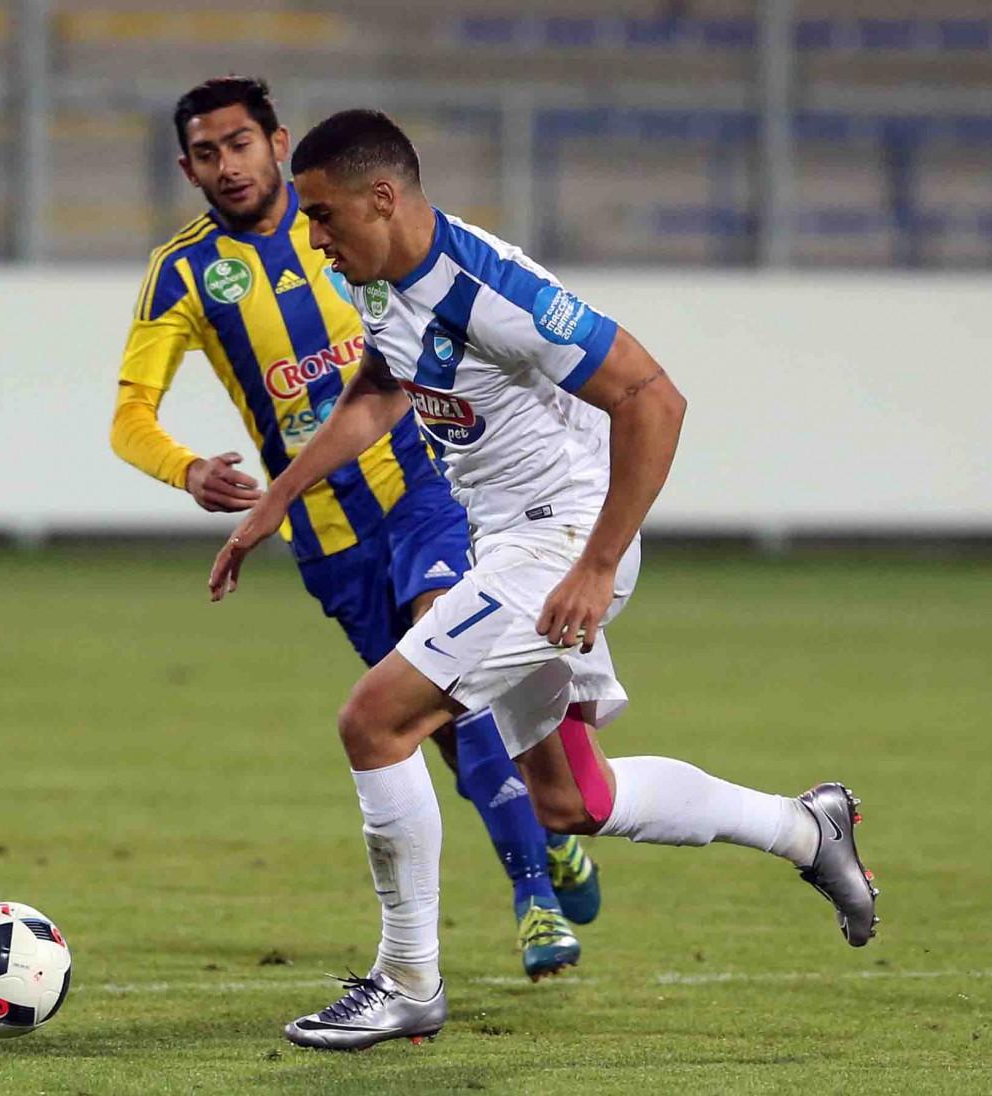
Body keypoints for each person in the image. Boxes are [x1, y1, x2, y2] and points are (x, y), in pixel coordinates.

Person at [209, 108, 880, 1051]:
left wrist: (595, 565)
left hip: (562, 542)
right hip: (509, 544)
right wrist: (279, 497)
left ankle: (407, 981)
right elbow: (380, 388)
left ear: (383, 197)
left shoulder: (491, 289)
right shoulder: (383, 282)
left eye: (322, 216)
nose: (313, 239)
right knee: (570, 799)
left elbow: (654, 398)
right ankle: (807, 830)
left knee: (375, 721)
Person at [110, 77, 604, 981]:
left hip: (423, 488)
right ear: (187, 169)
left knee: (445, 649)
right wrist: (186, 468)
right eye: (208, 154)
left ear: (276, 142)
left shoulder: (340, 222)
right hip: (327, 535)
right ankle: (544, 830)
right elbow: (128, 417)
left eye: (240, 143)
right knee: (429, 723)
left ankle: (533, 894)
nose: (228, 166)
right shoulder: (181, 273)